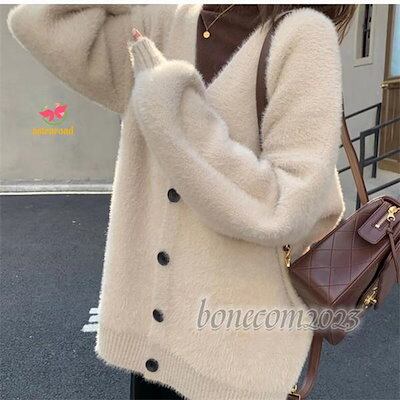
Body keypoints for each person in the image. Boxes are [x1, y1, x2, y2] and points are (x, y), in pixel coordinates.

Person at [8, 4, 356, 400]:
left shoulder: (302, 35)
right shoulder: (164, 21)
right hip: (154, 348)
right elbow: (40, 22)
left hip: (231, 354)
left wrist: (172, 106)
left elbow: (286, 208)